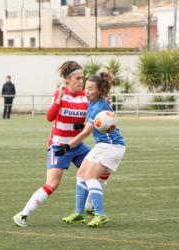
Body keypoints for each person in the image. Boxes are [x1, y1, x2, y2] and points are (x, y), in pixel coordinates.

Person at [13, 61, 109, 227]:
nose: (81, 82)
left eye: (82, 78)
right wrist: (58, 99)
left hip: (76, 145)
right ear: (67, 78)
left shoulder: (84, 97)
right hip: (59, 146)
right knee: (52, 183)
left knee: (103, 169)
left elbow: (90, 118)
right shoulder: (60, 94)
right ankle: (22, 214)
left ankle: (88, 207)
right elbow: (50, 117)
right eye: (78, 78)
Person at [58, 71, 126, 227]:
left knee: (90, 177)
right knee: (81, 174)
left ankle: (100, 215)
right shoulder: (92, 103)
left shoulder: (100, 106)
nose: (86, 91)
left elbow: (85, 134)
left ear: (99, 91)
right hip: (102, 145)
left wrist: (67, 146)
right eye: (86, 88)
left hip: (112, 146)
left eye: (90, 89)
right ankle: (79, 213)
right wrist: (81, 125)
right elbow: (92, 125)